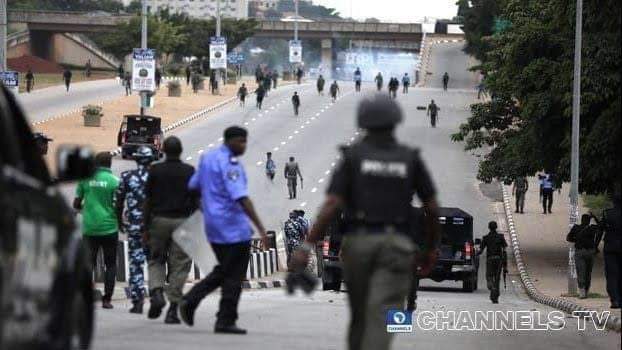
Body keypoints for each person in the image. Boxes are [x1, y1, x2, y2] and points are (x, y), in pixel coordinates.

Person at [291, 94, 441, 350]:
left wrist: (306, 246)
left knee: (360, 315)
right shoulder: (410, 158)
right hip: (396, 246)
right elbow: (432, 209)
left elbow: (331, 205)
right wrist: (430, 249)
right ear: (396, 121)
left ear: (363, 122)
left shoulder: (353, 158)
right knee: (385, 315)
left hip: (357, 246)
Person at [179, 126, 269, 334]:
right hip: (233, 228)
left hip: (213, 227)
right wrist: (261, 230)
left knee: (225, 270)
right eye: (241, 141)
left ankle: (208, 310)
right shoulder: (231, 165)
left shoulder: (207, 159)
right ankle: (215, 314)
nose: (244, 146)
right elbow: (242, 199)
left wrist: (204, 207)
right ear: (229, 141)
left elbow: (193, 186)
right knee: (234, 274)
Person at [144, 136, 198, 323]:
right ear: (180, 150)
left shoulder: (155, 170)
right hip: (183, 221)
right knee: (180, 265)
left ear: (164, 150)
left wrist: (145, 227)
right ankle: (173, 309)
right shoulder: (189, 171)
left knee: (156, 259)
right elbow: (197, 201)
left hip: (159, 220)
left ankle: (157, 292)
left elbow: (148, 200)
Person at [73, 152, 120, 309]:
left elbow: (76, 203)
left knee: (88, 264)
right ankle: (107, 300)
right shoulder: (115, 181)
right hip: (110, 228)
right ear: (109, 164)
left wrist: (84, 209)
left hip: (89, 229)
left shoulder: (85, 179)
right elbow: (118, 206)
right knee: (111, 264)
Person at [115, 146, 154, 314]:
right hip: (154, 228)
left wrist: (119, 221)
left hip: (134, 226)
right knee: (155, 264)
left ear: (136, 159)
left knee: (136, 264)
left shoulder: (127, 177)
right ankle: (156, 296)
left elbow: (118, 201)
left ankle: (137, 301)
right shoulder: (156, 177)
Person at [595, 193, 621, 308]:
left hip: (610, 247)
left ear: (614, 202)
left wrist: (595, 245)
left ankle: (614, 299)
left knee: (611, 274)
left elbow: (600, 230)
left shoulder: (607, 214)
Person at [566, 214, 600, 299]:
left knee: (581, 271)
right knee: (588, 272)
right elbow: (601, 226)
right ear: (589, 221)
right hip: (590, 252)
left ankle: (582, 292)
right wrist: (594, 217)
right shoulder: (592, 228)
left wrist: (577, 240)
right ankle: (586, 290)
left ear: (581, 220)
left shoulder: (576, 228)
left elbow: (568, 238)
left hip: (580, 252)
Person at [478, 221, 508, 304]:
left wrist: (476, 253)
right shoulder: (501, 237)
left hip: (490, 259)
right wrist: (505, 265)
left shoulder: (486, 238)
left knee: (489, 276)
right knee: (497, 279)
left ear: (489, 227)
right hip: (499, 260)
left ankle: (492, 288)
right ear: (496, 227)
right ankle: (495, 296)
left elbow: (481, 250)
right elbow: (505, 250)